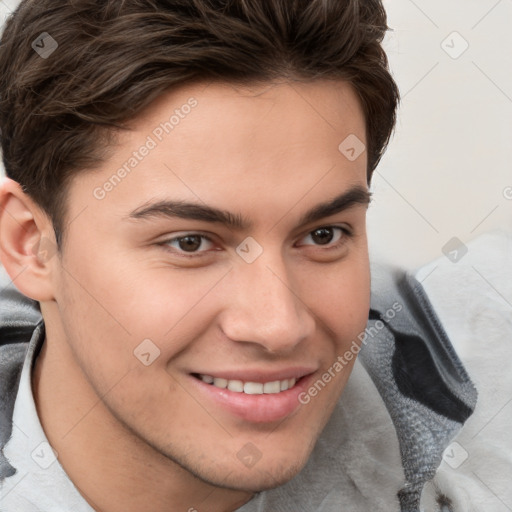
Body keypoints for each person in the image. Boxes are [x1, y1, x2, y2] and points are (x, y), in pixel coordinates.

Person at [1, 1, 501, 511]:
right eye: (190, 242)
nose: (278, 326)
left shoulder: (485, 363)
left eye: (324, 235)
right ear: (30, 245)